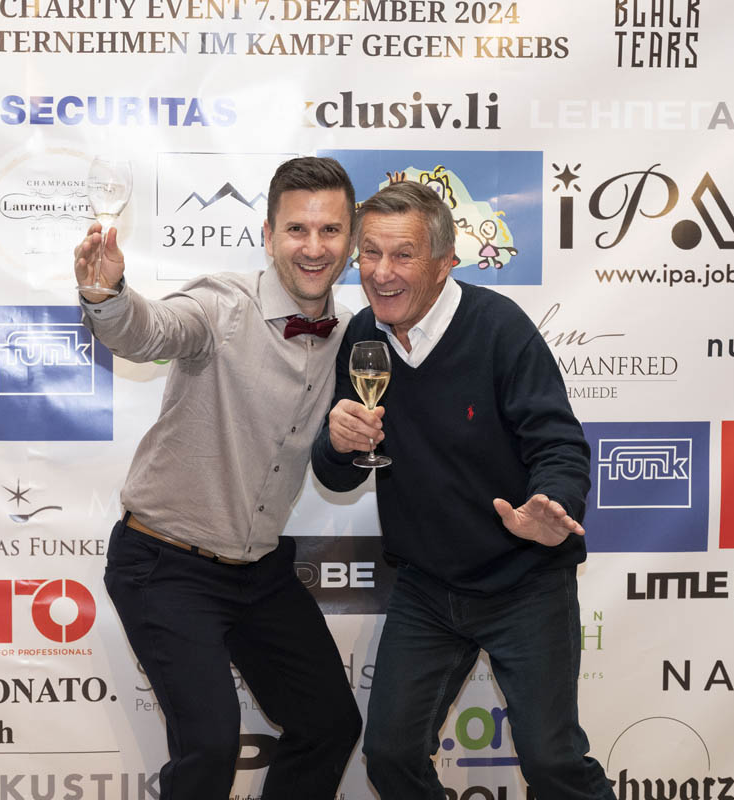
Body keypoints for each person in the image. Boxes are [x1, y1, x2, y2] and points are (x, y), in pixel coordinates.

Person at [311, 181, 616, 800]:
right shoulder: (364, 336)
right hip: (427, 586)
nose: (381, 273)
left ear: (446, 262)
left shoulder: (498, 327)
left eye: (403, 255)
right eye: (371, 253)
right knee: (391, 755)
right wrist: (336, 443)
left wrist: (552, 504)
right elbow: (341, 472)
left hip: (523, 580)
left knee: (552, 762)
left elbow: (558, 442)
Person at [74, 156, 362, 800]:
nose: (313, 247)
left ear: (350, 239)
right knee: (209, 748)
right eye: (296, 229)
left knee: (330, 724)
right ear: (268, 235)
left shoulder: (351, 334)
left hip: (258, 570)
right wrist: (107, 297)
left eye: (330, 230)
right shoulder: (223, 304)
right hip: (166, 563)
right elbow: (150, 330)